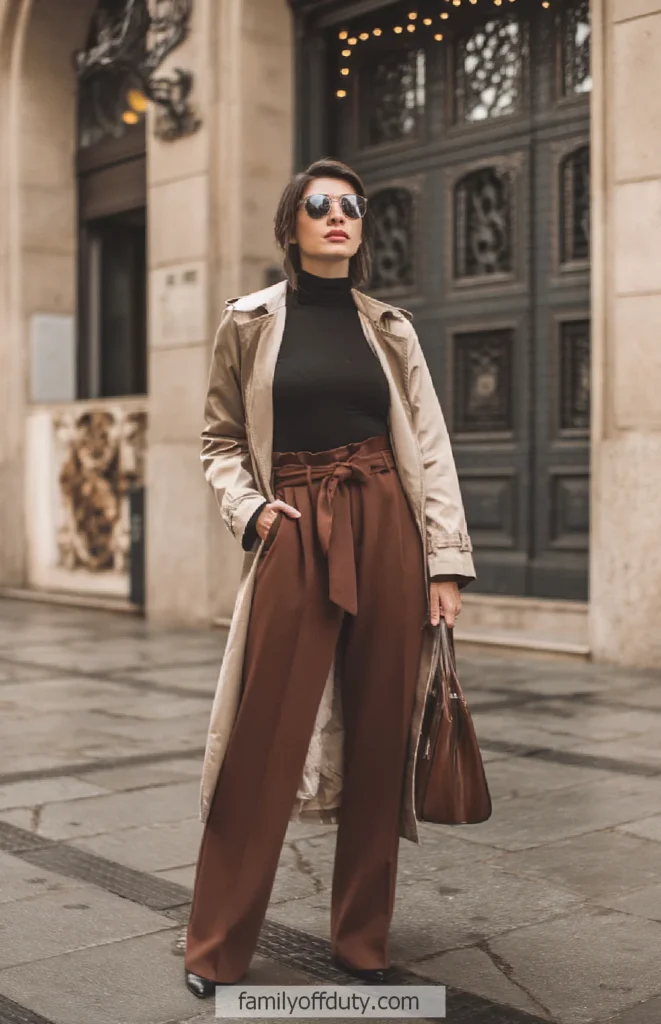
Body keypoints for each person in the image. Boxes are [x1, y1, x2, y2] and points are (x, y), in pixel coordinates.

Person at [184, 157, 476, 996]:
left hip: (388, 520)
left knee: (382, 734)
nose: (337, 217)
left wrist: (444, 564)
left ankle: (361, 943)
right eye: (319, 205)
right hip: (296, 527)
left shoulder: (390, 327)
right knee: (260, 736)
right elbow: (218, 440)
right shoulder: (248, 322)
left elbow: (427, 443)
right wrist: (252, 513)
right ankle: (215, 948)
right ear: (292, 227)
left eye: (350, 206)